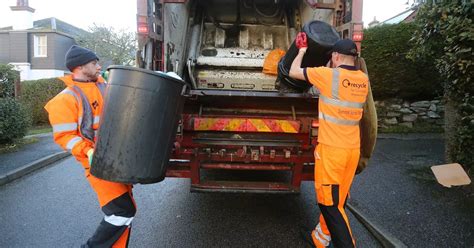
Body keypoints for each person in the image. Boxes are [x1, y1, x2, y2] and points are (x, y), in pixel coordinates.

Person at [45, 45, 136, 248]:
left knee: (126, 210)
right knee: (121, 211)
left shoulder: (103, 85)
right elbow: (64, 137)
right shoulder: (64, 100)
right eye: (94, 63)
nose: (99, 66)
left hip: (116, 159)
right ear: (79, 67)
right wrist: (88, 151)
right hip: (96, 163)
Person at [289, 33, 369, 248]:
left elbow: (293, 71)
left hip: (332, 152)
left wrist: (303, 51)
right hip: (352, 151)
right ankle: (320, 239)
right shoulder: (363, 79)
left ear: (335, 56)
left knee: (329, 204)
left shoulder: (328, 76)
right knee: (338, 201)